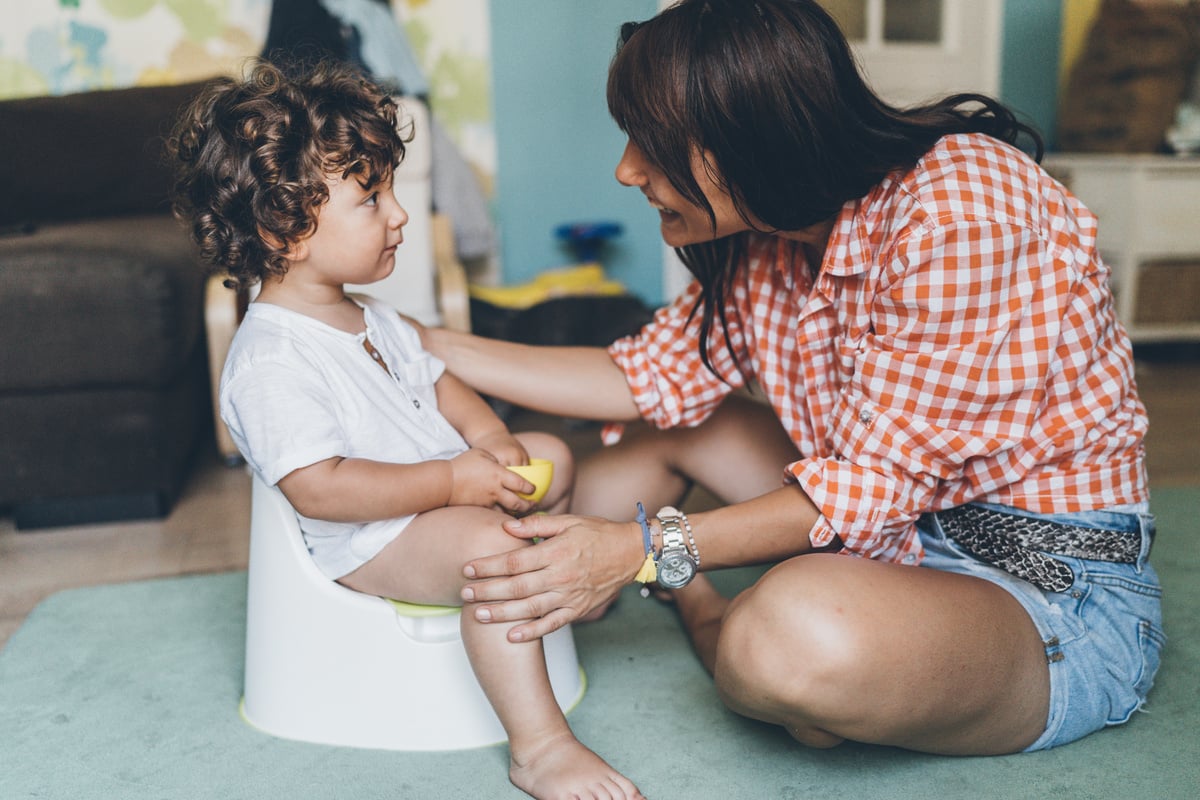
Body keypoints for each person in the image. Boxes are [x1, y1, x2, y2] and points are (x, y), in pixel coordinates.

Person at [419, 0, 1164, 758]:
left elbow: (869, 488)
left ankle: (702, 611)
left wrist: (638, 550)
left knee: (783, 643)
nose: (626, 170)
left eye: (651, 142)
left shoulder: (961, 211)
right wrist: (421, 342)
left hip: (1046, 587)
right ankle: (530, 574)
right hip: (894, 536)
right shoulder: (771, 239)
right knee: (678, 429)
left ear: (753, 136)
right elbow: (640, 375)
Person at [169, 58, 644, 800]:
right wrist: (457, 480)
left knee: (549, 452)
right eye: (371, 197)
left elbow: (444, 385)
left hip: (437, 498)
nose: (398, 216)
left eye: (391, 190)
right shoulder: (271, 358)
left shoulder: (374, 316)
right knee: (494, 551)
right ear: (283, 227)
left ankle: (559, 589)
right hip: (371, 538)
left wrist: (489, 441)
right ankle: (542, 747)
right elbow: (321, 490)